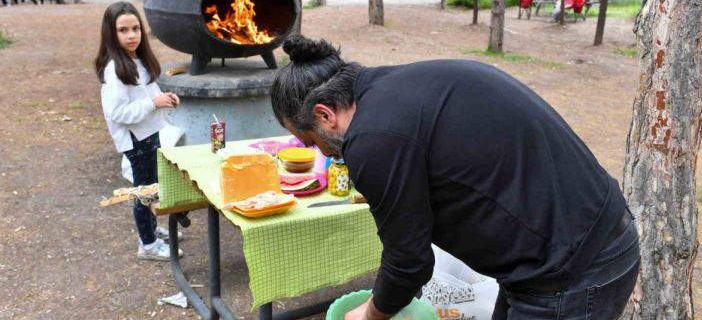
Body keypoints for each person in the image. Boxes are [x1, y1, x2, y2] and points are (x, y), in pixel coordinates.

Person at [270, 36, 640, 320]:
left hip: (574, 268)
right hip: (571, 240)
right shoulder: (395, 88)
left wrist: (369, 313)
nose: (318, 151)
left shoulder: (372, 139)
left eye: (310, 140)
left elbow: (408, 263)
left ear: (324, 114)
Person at [94, 1, 183, 261]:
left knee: (152, 186)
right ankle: (148, 244)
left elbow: (148, 93)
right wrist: (152, 104)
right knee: (142, 194)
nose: (131, 35)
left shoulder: (138, 60)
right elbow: (118, 113)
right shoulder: (115, 70)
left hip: (150, 133)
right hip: (135, 140)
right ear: (111, 33)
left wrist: (163, 98)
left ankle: (153, 230)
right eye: (123, 30)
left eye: (135, 29)